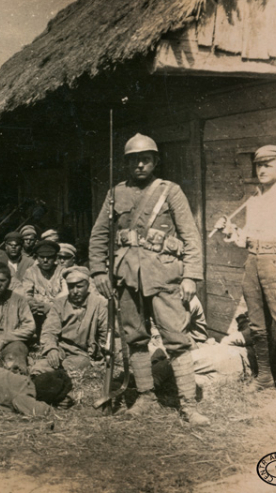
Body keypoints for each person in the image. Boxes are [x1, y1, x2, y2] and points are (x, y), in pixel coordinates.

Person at [88, 133, 208, 425]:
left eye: (145, 159)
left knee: (177, 339)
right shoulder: (116, 193)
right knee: (135, 338)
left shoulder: (171, 191)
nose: (140, 165)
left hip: (165, 276)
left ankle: (188, 404)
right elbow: (99, 235)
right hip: (127, 278)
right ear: (127, 164)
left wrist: (191, 275)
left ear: (155, 161)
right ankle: (145, 396)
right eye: (133, 160)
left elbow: (191, 235)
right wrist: (99, 271)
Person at [214, 145, 276, 391]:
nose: (262, 169)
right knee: (257, 325)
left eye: (268, 164)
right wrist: (231, 230)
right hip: (254, 264)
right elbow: (247, 237)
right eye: (259, 165)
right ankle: (265, 378)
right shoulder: (255, 200)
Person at [31, 266, 108, 375]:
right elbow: (49, 330)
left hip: (83, 354)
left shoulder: (99, 304)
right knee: (40, 368)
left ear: (88, 286)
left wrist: (102, 356)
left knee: (72, 366)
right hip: (61, 349)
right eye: (71, 287)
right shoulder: (59, 304)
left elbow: (105, 334)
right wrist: (51, 349)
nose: (75, 291)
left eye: (79, 286)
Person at [22, 240, 68, 336]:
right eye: (42, 257)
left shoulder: (63, 272)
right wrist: (32, 304)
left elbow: (66, 294)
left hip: (58, 314)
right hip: (37, 314)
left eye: (49, 257)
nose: (45, 260)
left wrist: (51, 307)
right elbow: (26, 294)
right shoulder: (30, 272)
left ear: (55, 257)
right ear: (37, 257)